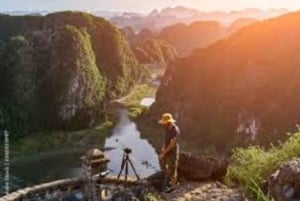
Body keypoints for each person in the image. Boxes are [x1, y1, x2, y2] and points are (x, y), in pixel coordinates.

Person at [158, 113, 180, 193]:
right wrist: (163, 148)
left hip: (172, 151)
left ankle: (173, 186)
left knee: (173, 168)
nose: (163, 124)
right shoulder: (167, 128)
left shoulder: (175, 130)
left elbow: (172, 144)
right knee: (162, 162)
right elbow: (165, 140)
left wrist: (164, 153)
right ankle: (169, 178)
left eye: (164, 123)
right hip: (167, 149)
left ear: (169, 122)